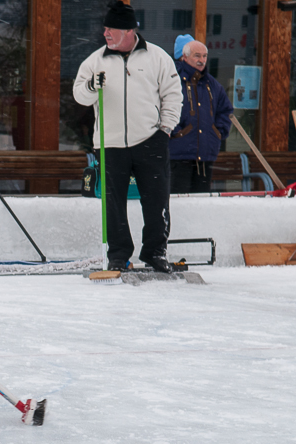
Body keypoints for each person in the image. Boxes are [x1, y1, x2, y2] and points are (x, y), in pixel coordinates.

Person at [73, 1, 182, 273]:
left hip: (150, 140)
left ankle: (155, 252)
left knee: (156, 199)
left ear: (129, 31)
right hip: (110, 144)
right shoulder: (95, 60)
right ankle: (119, 254)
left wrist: (164, 129)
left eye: (111, 29)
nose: (105, 34)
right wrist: (90, 85)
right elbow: (79, 95)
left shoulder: (157, 57)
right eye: (105, 28)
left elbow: (172, 95)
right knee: (113, 203)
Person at [169, 39, 233, 194]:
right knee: (178, 202)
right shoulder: (172, 80)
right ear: (184, 57)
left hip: (205, 155)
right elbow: (161, 108)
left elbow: (226, 111)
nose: (202, 60)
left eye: (204, 56)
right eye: (197, 56)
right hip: (178, 155)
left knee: (201, 203)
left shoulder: (212, 84)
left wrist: (217, 132)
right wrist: (176, 132)